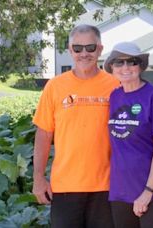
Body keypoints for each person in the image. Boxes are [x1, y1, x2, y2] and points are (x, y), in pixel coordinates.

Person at [32, 24, 120, 228]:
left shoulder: (116, 86)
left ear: (99, 49)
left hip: (107, 186)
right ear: (70, 50)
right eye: (78, 48)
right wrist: (38, 178)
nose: (84, 53)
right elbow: (44, 134)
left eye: (90, 47)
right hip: (65, 187)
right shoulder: (55, 86)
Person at [104, 42, 153, 228]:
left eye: (132, 62)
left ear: (140, 66)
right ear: (112, 67)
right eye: (119, 63)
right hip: (120, 191)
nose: (125, 67)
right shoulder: (114, 97)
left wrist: (148, 191)